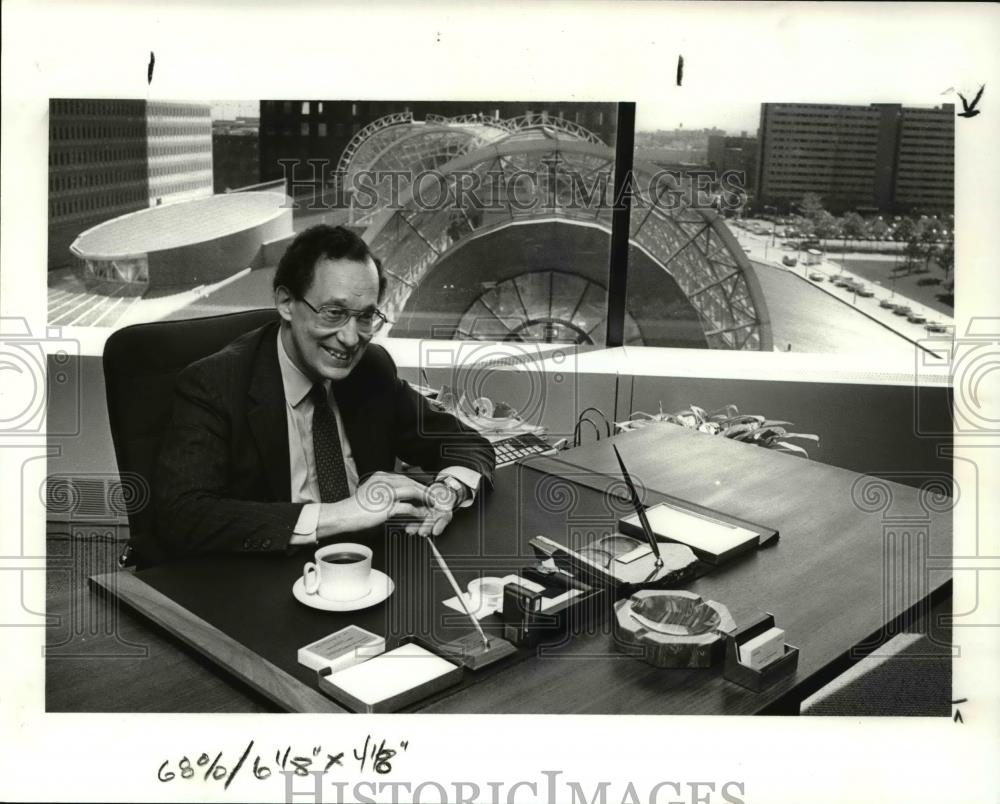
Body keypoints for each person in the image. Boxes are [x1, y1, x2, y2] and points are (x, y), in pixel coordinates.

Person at [155, 225, 495, 557]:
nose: (350, 338)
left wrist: (446, 491)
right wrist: (341, 515)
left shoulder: (371, 370)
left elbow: (466, 443)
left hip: (368, 570)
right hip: (266, 579)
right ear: (286, 302)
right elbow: (182, 517)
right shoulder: (214, 384)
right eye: (334, 313)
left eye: (365, 317)